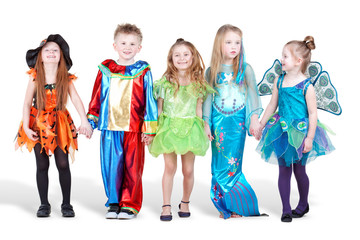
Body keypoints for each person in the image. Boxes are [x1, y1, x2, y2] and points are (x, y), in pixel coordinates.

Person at [255, 36, 335, 222]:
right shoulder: (279, 81)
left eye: (285, 56)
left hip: (301, 132)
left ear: (299, 61)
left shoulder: (307, 86)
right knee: (284, 170)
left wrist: (309, 137)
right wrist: (261, 124)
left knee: (300, 170)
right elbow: (272, 105)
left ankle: (303, 203)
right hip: (281, 131)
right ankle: (285, 208)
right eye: (282, 56)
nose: (281, 59)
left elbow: (313, 114)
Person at [15, 34, 93, 217]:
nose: (51, 52)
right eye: (47, 50)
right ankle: (44, 204)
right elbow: (27, 103)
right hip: (39, 123)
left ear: (61, 56)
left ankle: (66, 204)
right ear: (40, 56)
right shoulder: (35, 76)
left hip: (59, 122)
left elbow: (75, 98)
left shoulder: (65, 77)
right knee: (42, 165)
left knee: (63, 163)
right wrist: (26, 127)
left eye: (55, 50)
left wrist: (84, 120)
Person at [87, 23, 158, 219]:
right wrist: (90, 122)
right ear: (115, 45)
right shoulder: (105, 69)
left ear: (139, 48)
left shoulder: (143, 70)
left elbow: (149, 100)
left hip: (134, 127)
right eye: (123, 42)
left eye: (132, 43)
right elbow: (96, 96)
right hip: (110, 127)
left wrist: (149, 128)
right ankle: (114, 202)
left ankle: (130, 204)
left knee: (132, 167)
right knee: (112, 165)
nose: (128, 47)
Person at [203, 24, 263, 219]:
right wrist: (205, 122)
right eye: (228, 42)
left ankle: (237, 205)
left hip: (237, 123)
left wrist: (254, 118)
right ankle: (223, 205)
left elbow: (253, 94)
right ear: (219, 44)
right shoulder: (211, 70)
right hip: (218, 123)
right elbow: (207, 99)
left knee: (234, 164)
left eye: (237, 42)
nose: (233, 46)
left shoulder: (245, 69)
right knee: (219, 164)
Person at [149, 38, 213, 221]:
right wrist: (153, 132)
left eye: (186, 54)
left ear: (192, 57)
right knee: (169, 167)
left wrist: (205, 127)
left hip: (190, 129)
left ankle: (185, 202)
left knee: (188, 170)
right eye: (177, 55)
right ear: (171, 58)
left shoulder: (199, 83)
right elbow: (159, 110)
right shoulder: (164, 83)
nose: (182, 58)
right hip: (168, 128)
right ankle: (166, 204)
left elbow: (199, 109)